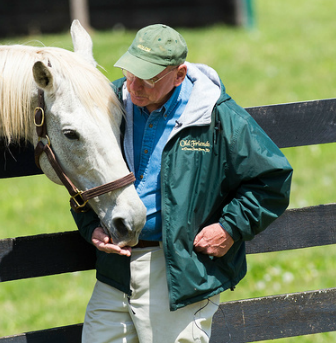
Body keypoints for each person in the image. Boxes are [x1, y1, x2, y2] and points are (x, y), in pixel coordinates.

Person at [71, 24, 293, 343]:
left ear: (179, 74)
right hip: (114, 271)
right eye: (130, 72)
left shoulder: (216, 115)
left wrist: (230, 228)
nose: (134, 85)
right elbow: (79, 168)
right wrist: (90, 223)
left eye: (149, 78)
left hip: (177, 272)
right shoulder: (111, 104)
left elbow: (272, 179)